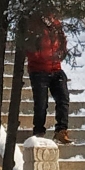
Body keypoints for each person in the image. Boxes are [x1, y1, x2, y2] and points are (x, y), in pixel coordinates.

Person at [24, 13, 70, 145]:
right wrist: (39, 56)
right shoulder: (33, 23)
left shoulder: (56, 23)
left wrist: (62, 52)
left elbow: (62, 40)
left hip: (56, 67)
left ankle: (61, 131)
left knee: (63, 99)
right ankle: (38, 132)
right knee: (41, 103)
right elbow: (29, 45)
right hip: (38, 69)